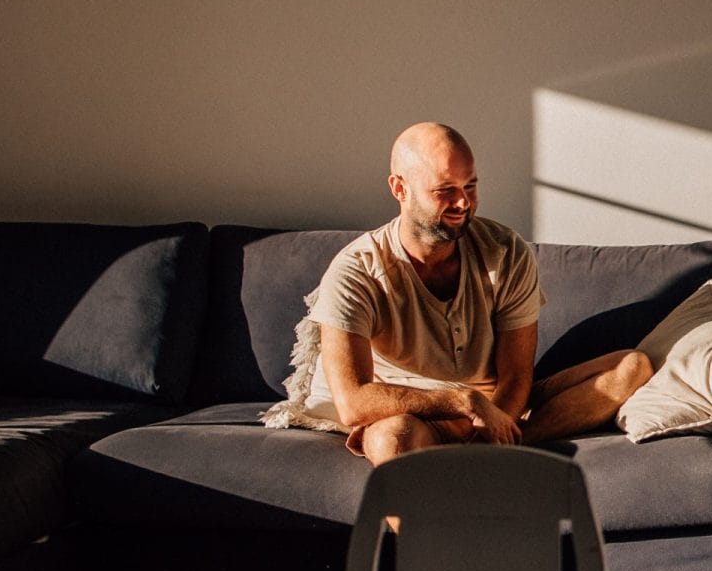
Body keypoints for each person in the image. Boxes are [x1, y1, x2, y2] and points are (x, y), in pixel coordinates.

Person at [264, 122, 654, 462]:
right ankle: (430, 537)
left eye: (470, 185)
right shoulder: (356, 271)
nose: (463, 202)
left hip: (501, 410)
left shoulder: (505, 251)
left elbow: (517, 377)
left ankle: (482, 458)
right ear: (400, 188)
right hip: (416, 418)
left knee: (632, 365)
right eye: (445, 190)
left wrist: (491, 422)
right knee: (390, 437)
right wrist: (461, 402)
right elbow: (352, 403)